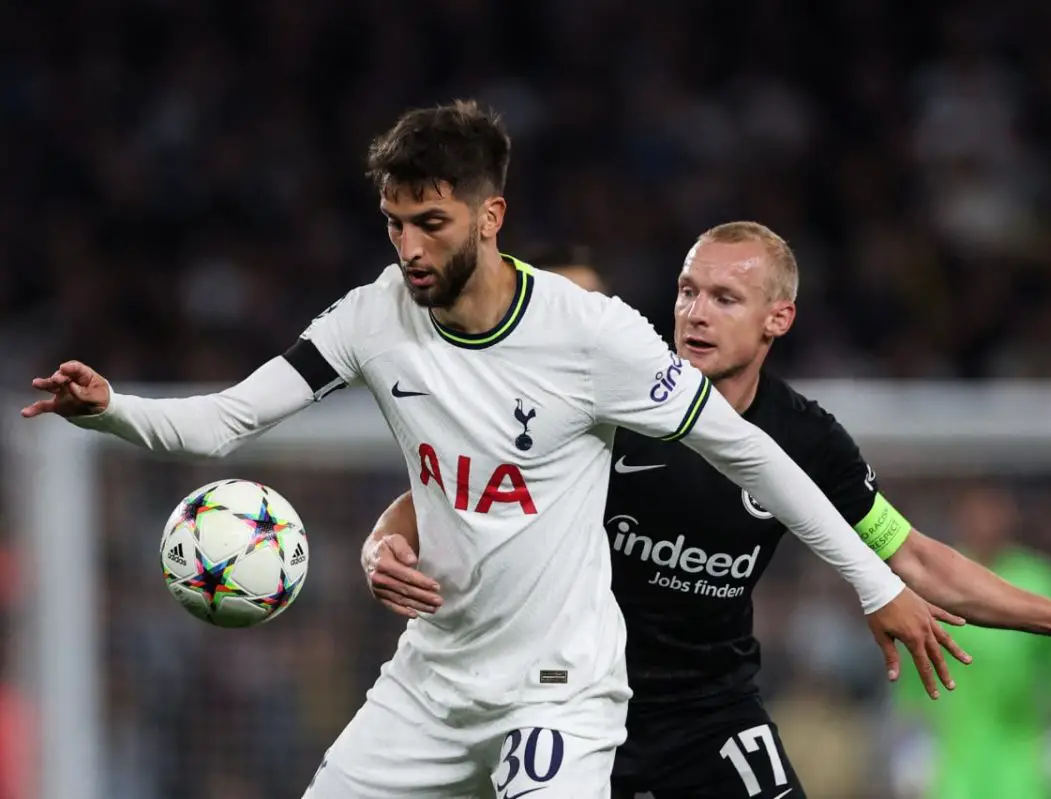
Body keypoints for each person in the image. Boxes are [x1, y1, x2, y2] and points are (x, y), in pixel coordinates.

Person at [20, 102, 960, 799]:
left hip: (558, 689)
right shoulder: (372, 316)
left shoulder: (594, 336)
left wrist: (878, 584)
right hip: (432, 679)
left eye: (431, 223)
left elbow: (750, 455)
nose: (411, 249)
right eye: (394, 223)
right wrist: (110, 409)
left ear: (489, 216)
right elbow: (227, 419)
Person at [365, 221, 1051, 799]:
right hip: (576, 708)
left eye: (724, 296)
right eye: (687, 291)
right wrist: (383, 542)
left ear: (776, 318)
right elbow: (454, 482)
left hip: (711, 715)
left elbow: (918, 561)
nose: (694, 311)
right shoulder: (605, 402)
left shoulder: (805, 439)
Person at [891, 485, 1051, 799]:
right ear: (960, 516)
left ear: (1010, 515)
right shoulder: (934, 581)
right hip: (953, 760)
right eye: (976, 511)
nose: (985, 521)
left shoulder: (1044, 582)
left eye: (993, 509)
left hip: (1025, 758)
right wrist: (915, 742)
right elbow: (914, 669)